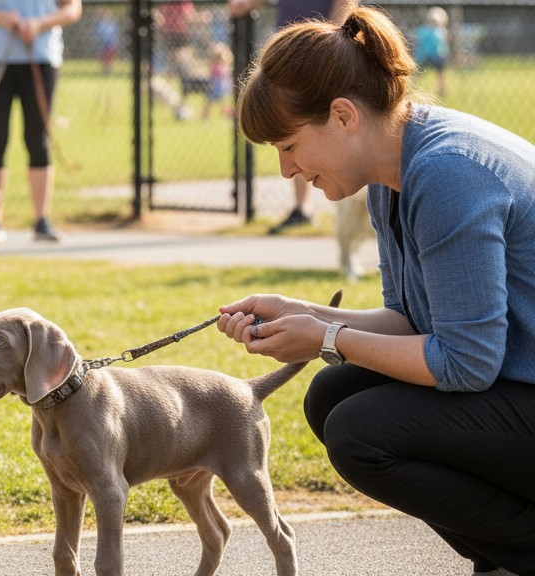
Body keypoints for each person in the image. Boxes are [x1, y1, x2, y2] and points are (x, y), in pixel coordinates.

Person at [217, 6, 535, 575]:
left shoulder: (446, 173)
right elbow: (413, 323)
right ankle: (502, 552)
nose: (287, 169)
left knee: (361, 430)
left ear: (342, 116)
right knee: (332, 394)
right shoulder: (394, 169)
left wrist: (328, 336)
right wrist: (302, 316)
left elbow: (466, 363)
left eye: (288, 145)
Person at [229, 0, 353, 234]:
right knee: (291, 134)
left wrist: (331, 40)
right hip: (288, 54)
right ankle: (302, 206)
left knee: (313, 131)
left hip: (320, 54)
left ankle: (351, 211)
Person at [0, 0, 82, 244]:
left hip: (40, 57)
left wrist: (40, 24)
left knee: (38, 140)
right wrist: (2, 18)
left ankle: (42, 220)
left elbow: (72, 9)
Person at [414, 6, 450, 98]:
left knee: (441, 73)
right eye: (432, 21)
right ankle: (413, 87)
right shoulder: (423, 30)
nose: (434, 23)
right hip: (424, 56)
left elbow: (444, 44)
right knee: (417, 72)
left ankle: (442, 90)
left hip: (438, 56)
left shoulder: (441, 31)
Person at [201, 41, 233, 120]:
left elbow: (227, 76)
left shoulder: (224, 65)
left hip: (221, 86)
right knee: (210, 101)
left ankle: (226, 115)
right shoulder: (215, 65)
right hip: (216, 86)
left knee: (223, 102)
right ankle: (206, 115)